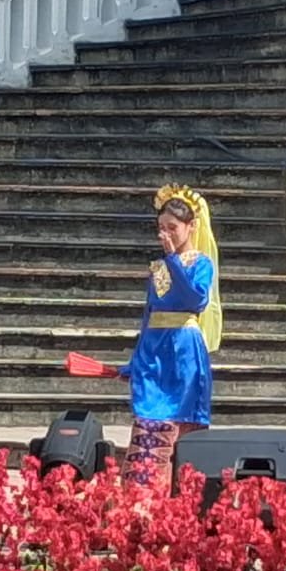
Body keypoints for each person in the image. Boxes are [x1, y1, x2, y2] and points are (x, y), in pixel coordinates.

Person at [117, 183, 221, 489]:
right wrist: (134, 361)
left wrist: (174, 259)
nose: (166, 234)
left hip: (184, 351)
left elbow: (194, 300)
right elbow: (149, 314)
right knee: (148, 418)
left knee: (181, 421)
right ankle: (141, 495)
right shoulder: (159, 268)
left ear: (191, 227)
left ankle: (181, 494)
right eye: (161, 228)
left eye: (173, 228)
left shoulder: (201, 264)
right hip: (155, 350)